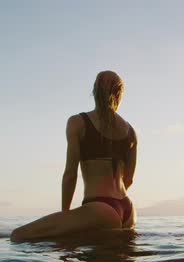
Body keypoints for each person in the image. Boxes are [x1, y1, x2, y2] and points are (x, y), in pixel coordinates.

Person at [10, 71, 137, 241]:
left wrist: (66, 217)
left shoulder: (78, 122)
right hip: (128, 210)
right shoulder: (130, 131)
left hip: (100, 208)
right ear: (119, 93)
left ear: (94, 91)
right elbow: (128, 179)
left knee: (17, 235)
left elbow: (70, 174)